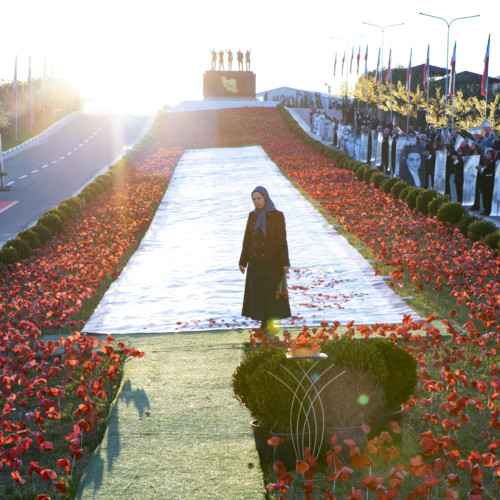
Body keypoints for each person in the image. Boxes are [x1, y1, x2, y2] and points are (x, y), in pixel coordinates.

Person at [239, 186, 291, 332]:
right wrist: (243, 261)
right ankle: (263, 322)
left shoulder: (277, 215)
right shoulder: (252, 215)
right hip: (255, 261)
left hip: (272, 261)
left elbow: (282, 241)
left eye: (259, 198)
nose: (256, 202)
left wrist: (285, 263)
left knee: (271, 292)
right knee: (258, 292)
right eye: (254, 199)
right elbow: (247, 239)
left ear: (265, 198)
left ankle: (270, 321)